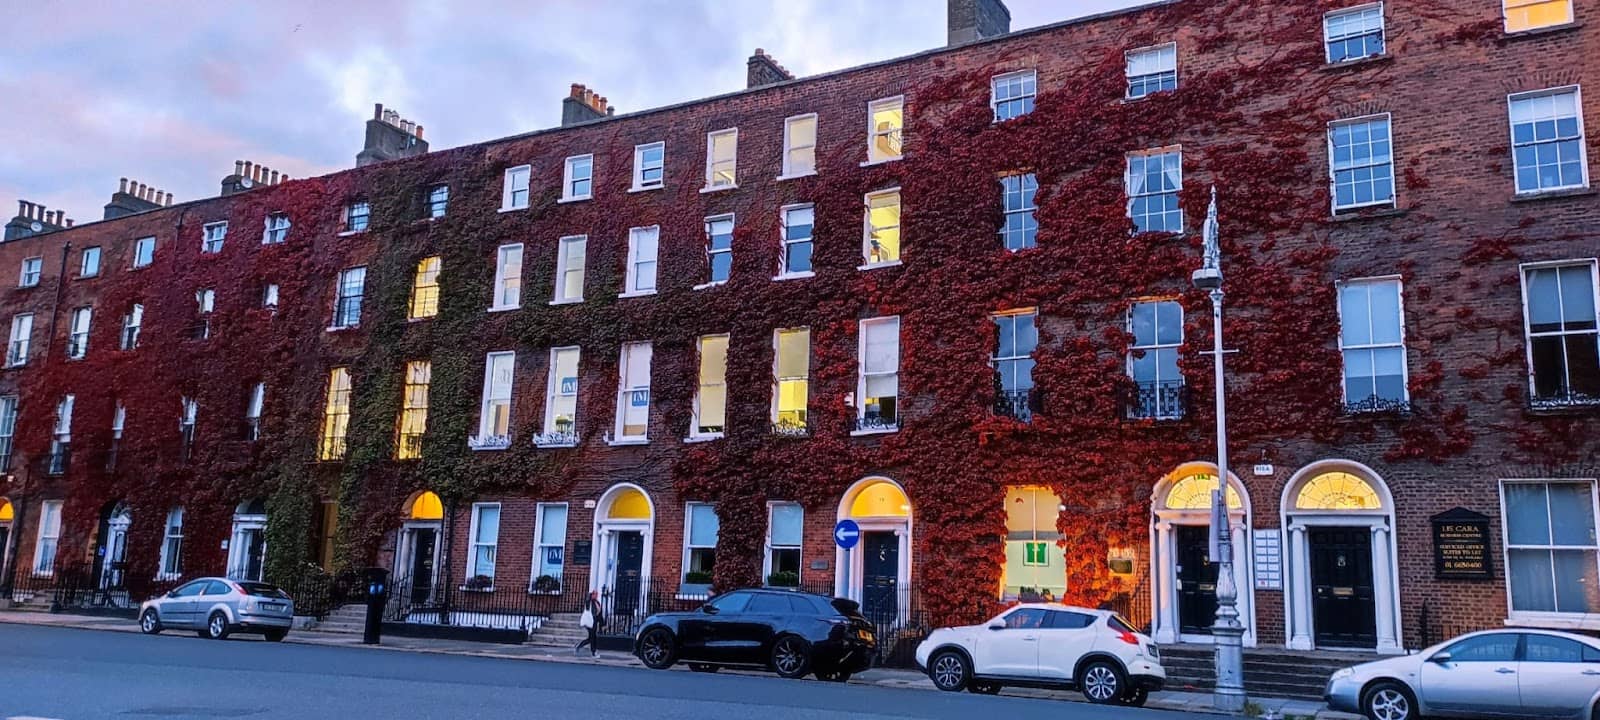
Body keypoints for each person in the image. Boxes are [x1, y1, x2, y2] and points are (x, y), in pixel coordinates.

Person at [574, 590, 604, 657]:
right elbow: (587, 606)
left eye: (597, 594)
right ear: (592, 595)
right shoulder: (589, 602)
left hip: (595, 622)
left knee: (591, 638)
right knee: (593, 637)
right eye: (595, 594)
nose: (596, 596)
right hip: (589, 622)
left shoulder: (597, 603)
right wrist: (590, 597)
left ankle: (579, 646)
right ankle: (593, 652)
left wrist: (602, 624)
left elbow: (599, 614)